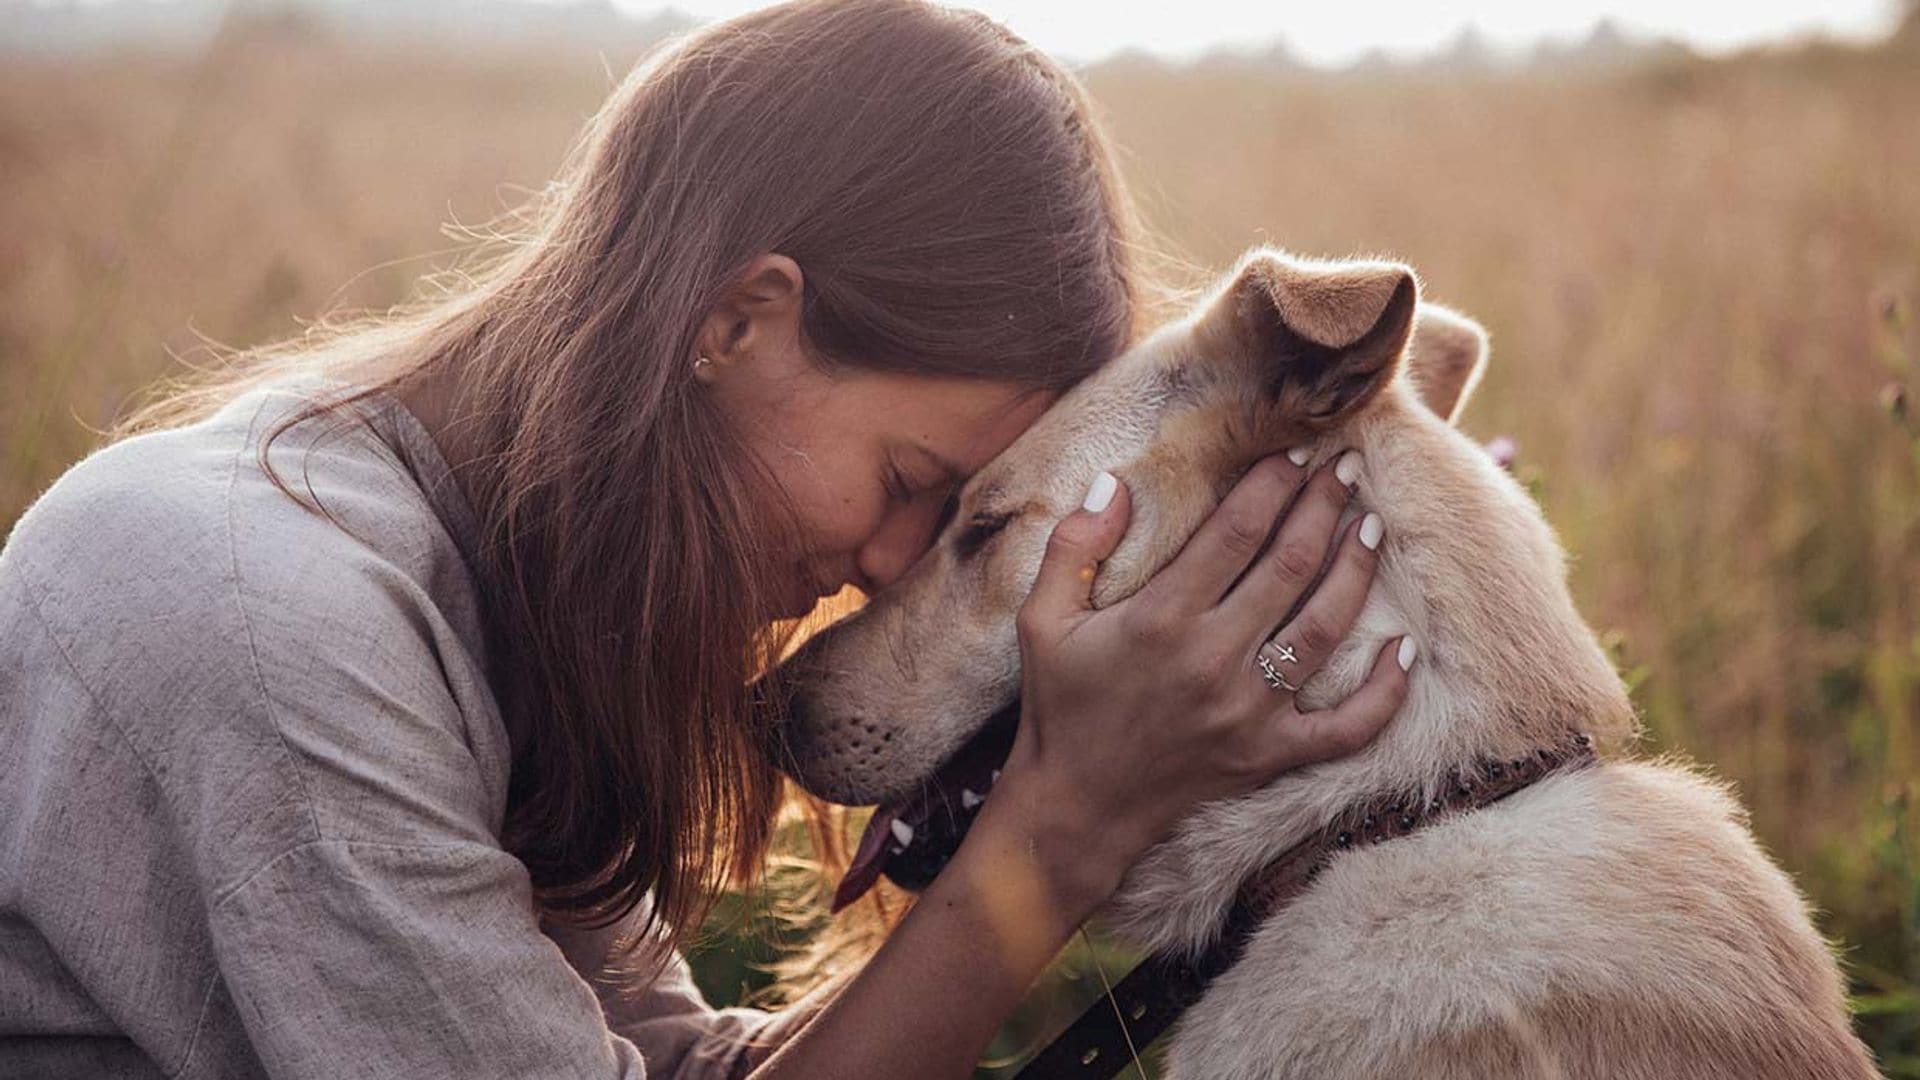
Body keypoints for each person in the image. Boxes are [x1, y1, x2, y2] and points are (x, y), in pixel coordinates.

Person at [0, 1, 1412, 1076]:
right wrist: (1065, 822)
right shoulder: (274, 622)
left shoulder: (488, 578)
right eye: (913, 478)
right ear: (737, 321)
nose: (890, 561)